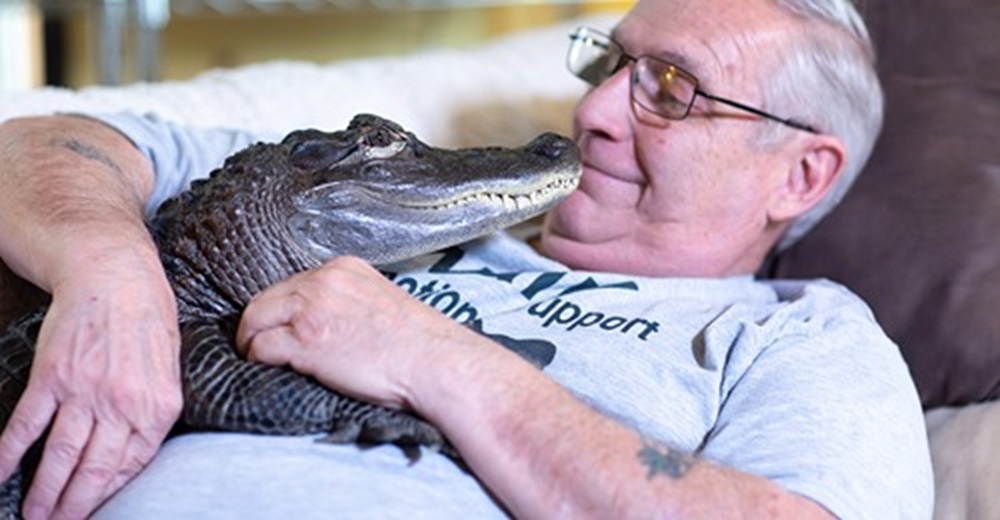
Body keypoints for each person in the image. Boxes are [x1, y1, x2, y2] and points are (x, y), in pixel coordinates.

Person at [0, 0, 934, 518]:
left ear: (800, 174)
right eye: (607, 65)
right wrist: (111, 274)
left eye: (671, 90)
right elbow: (39, 147)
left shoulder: (807, 337)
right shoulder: (372, 211)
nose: (595, 113)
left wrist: (433, 358)